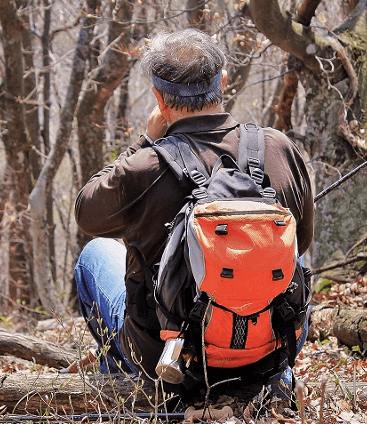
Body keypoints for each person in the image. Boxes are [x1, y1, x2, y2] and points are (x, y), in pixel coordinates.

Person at [73, 28, 314, 404]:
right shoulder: (278, 148)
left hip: (169, 357)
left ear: (159, 98)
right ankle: (271, 374)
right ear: (223, 82)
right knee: (292, 252)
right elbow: (305, 240)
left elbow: (86, 213)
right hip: (270, 346)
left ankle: (128, 390)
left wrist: (144, 142)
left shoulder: (144, 167)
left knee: (93, 256)